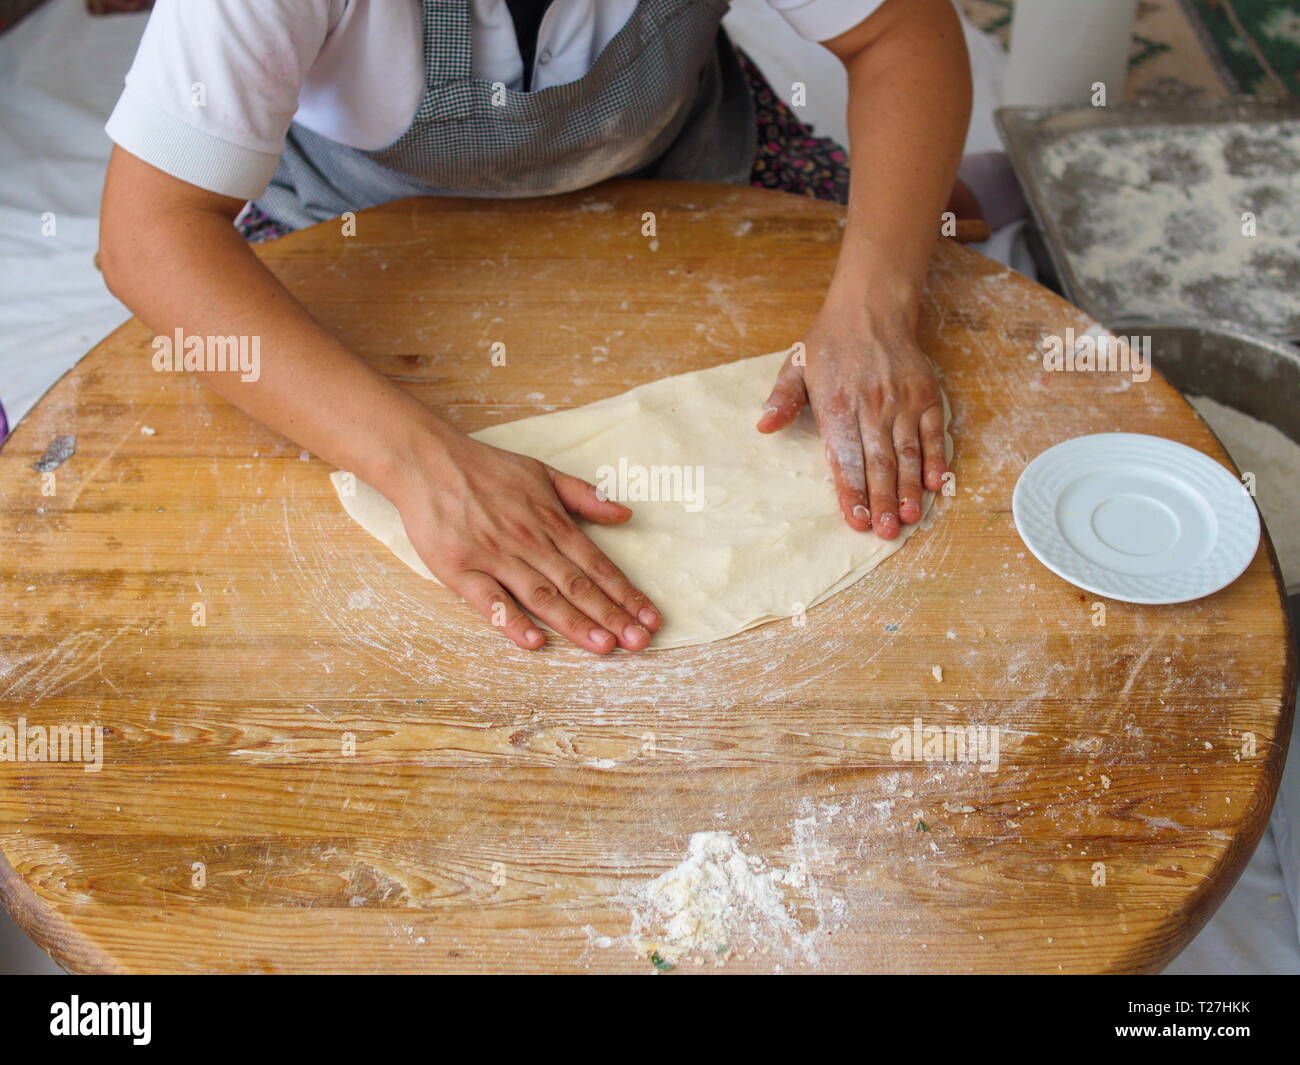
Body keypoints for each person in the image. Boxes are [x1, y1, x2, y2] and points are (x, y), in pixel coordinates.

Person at [99, 0, 973, 654]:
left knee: (943, 229)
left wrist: (874, 307)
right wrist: (420, 465)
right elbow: (147, 235)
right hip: (357, 215)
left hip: (682, 165)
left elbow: (900, 35)